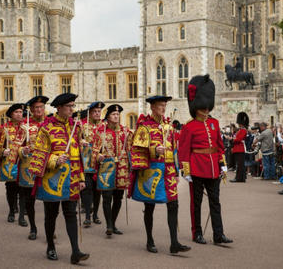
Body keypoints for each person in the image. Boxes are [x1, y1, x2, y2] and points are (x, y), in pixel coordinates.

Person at [29, 93, 89, 264]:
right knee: (51, 214)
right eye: (69, 106)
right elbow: (38, 155)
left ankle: (75, 251)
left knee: (70, 213)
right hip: (52, 179)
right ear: (60, 108)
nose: (72, 109)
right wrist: (55, 159)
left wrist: (81, 178)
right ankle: (50, 246)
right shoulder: (47, 128)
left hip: (72, 179)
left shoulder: (76, 127)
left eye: (73, 106)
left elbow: (78, 157)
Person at [130, 95, 190, 255]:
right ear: (152, 107)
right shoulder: (145, 127)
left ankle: (174, 243)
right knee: (149, 207)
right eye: (160, 105)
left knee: (173, 204)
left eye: (164, 105)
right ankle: (149, 240)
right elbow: (136, 149)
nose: (163, 108)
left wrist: (176, 171)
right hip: (152, 170)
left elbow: (174, 151)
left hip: (169, 171)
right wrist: (154, 150)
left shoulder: (169, 127)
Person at [179, 75, 233, 245]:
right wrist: (185, 171)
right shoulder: (189, 126)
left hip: (213, 168)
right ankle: (197, 233)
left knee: (215, 203)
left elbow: (219, 146)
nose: (206, 109)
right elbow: (184, 150)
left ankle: (219, 234)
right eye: (204, 106)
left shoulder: (214, 123)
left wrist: (222, 165)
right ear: (197, 106)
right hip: (196, 168)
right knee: (196, 204)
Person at [92, 104, 132, 236]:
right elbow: (94, 150)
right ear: (108, 117)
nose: (116, 116)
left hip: (121, 167)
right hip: (106, 168)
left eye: (118, 114)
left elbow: (130, 149)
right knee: (107, 197)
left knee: (118, 197)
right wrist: (98, 156)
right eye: (114, 114)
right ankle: (108, 225)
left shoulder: (125, 132)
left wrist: (131, 165)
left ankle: (113, 223)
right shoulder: (101, 132)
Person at [18, 96, 49, 240]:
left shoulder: (50, 124)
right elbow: (16, 146)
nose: (39, 110)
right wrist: (22, 151)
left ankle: (50, 229)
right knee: (30, 200)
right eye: (36, 108)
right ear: (31, 110)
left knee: (49, 200)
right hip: (29, 167)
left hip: (47, 166)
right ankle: (33, 227)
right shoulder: (24, 126)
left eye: (41, 107)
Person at [0, 103, 27, 225]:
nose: (19, 114)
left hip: (23, 162)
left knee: (23, 190)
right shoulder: (4, 128)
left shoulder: (26, 128)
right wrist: (2, 151)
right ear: (11, 115)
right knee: (11, 189)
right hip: (10, 163)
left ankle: (22, 216)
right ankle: (12, 211)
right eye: (16, 112)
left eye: (20, 112)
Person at [80, 101, 104, 227]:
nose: (97, 114)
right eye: (95, 111)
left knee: (97, 190)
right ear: (90, 113)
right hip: (86, 163)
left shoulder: (104, 126)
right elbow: (76, 139)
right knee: (87, 189)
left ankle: (95, 214)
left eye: (99, 111)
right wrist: (81, 141)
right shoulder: (82, 125)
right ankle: (88, 215)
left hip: (100, 163)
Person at [230, 112, 249, 183]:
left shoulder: (243, 130)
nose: (238, 124)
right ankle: (241, 178)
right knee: (240, 164)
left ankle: (239, 178)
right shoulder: (241, 130)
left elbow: (238, 139)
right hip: (238, 149)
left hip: (240, 149)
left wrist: (232, 139)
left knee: (240, 164)